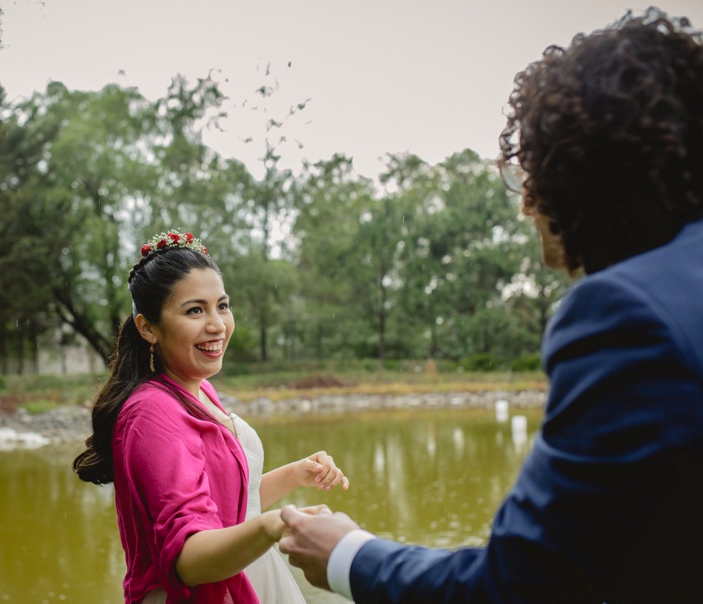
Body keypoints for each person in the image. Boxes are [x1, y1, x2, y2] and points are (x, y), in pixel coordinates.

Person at [278, 8, 703, 603]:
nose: (527, 206)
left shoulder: (627, 314)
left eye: (531, 174)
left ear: (579, 172)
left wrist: (349, 553)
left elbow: (526, 586)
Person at [72, 229, 349, 603]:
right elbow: (187, 559)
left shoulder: (198, 390)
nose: (217, 324)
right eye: (194, 310)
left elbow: (226, 507)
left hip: (245, 571)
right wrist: (274, 524)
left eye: (222, 305)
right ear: (148, 328)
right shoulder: (151, 413)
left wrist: (295, 475)